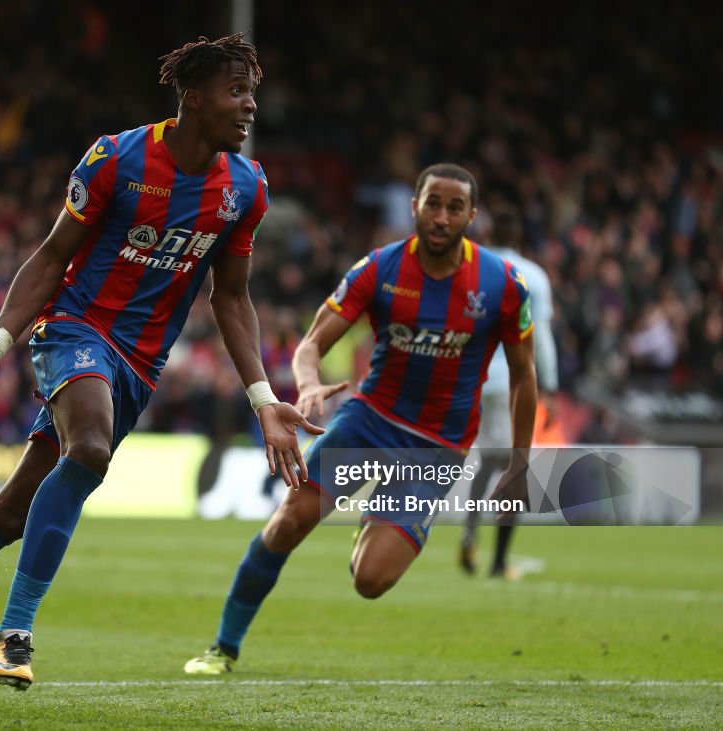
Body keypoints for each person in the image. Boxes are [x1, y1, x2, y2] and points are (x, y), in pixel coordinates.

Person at [0, 34, 322, 691]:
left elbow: (231, 298)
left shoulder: (245, 189)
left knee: (7, 516)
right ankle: (13, 635)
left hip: (139, 367)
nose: (250, 105)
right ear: (193, 100)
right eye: (237, 91)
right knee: (89, 448)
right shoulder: (117, 157)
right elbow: (53, 256)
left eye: (252, 91)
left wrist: (263, 400)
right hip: (73, 330)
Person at [184, 163, 538, 674]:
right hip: (369, 423)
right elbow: (310, 345)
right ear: (414, 206)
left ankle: (375, 524)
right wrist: (306, 384)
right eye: (432, 203)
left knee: (371, 581)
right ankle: (224, 646)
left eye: (454, 207)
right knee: (289, 521)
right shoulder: (380, 269)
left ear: (471, 216)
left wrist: (519, 464)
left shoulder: (503, 284)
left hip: (437, 449)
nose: (441, 216)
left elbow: (526, 377)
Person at [458, 208, 559, 579]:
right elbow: (541, 337)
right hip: (511, 383)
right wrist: (549, 385)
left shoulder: (471, 269)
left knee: (488, 462)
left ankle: (470, 536)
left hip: (472, 380)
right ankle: (498, 561)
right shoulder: (532, 274)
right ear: (518, 238)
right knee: (515, 468)